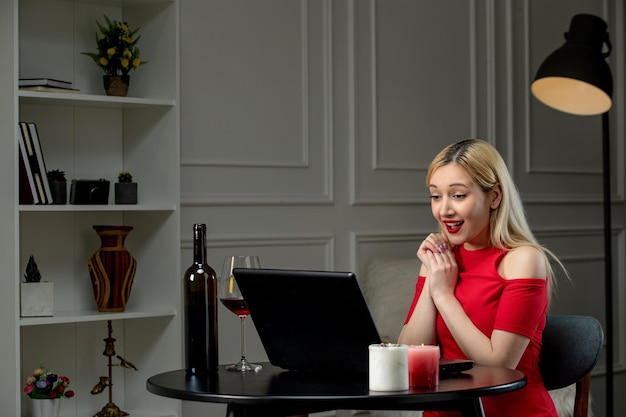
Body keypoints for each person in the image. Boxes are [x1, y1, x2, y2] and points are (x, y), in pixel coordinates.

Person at [398, 138, 566, 417]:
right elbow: (407, 357)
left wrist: (443, 295)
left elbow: (498, 364)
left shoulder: (523, 259)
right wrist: (432, 278)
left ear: (495, 196)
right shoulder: (440, 260)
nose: (444, 210)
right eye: (436, 196)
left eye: (459, 195)